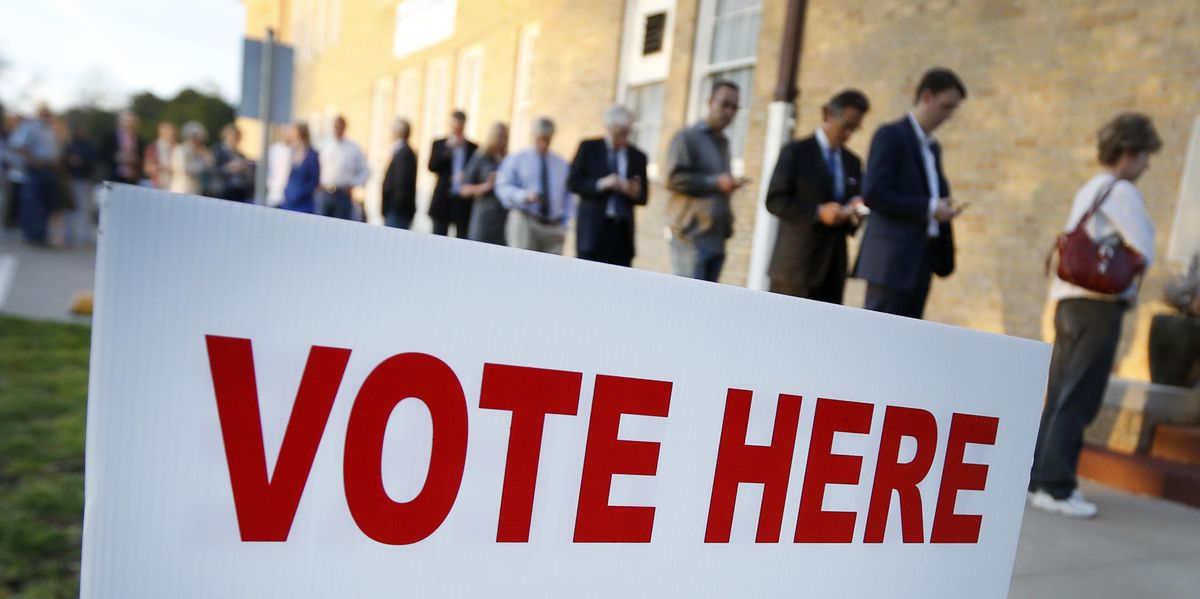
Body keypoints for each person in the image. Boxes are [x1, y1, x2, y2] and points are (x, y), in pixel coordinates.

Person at [1028, 113, 1162, 519]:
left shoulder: (1091, 188)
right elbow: (1145, 248)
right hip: (1098, 306)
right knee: (1080, 395)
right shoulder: (1122, 192)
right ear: (1129, 152)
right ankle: (1056, 485)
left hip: (1068, 301)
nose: (1147, 165)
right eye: (1145, 156)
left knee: (1061, 392)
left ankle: (1037, 478)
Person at [855, 67, 967, 319]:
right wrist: (930, 208)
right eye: (946, 106)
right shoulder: (891, 136)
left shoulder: (933, 147)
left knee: (906, 345)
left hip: (921, 261)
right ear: (926, 96)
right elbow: (874, 193)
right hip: (891, 262)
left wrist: (942, 207)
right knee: (877, 341)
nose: (949, 116)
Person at [765, 89, 870, 303]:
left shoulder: (852, 161)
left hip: (833, 269)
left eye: (854, 129)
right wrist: (818, 213)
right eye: (846, 125)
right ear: (827, 115)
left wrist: (855, 213)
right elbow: (775, 200)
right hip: (796, 267)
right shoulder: (796, 152)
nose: (849, 134)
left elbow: (854, 204)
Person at [665, 79, 746, 282]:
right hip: (691, 237)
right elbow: (672, 178)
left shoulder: (724, 143)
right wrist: (715, 182)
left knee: (707, 306)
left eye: (734, 107)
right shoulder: (687, 137)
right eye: (724, 104)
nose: (729, 111)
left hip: (717, 237)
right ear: (710, 102)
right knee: (688, 304)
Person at [568, 104, 649, 267]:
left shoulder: (637, 156)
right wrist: (602, 184)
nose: (623, 138)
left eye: (627, 133)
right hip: (592, 232)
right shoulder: (588, 148)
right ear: (609, 127)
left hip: (622, 234)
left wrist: (633, 192)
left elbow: (643, 196)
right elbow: (572, 183)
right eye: (619, 132)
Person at [495, 117, 574, 254]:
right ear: (533, 136)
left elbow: (568, 195)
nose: (543, 144)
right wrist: (523, 195)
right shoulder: (517, 159)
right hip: (526, 220)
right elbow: (502, 187)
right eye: (540, 139)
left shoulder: (561, 164)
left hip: (553, 227)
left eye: (547, 140)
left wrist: (565, 222)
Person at [8, 104, 60, 245]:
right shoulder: (30, 127)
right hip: (36, 170)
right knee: (32, 203)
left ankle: (41, 236)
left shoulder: (50, 129)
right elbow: (18, 145)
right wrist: (34, 160)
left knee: (46, 205)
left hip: (50, 170)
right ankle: (31, 235)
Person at [428, 110, 478, 237]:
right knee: (438, 238)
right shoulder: (440, 144)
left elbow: (477, 173)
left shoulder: (473, 148)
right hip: (443, 200)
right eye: (455, 127)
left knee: (462, 238)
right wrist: (448, 149)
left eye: (459, 128)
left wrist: (465, 177)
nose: (457, 131)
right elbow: (432, 166)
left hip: (462, 203)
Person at [462, 122, 510, 245]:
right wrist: (485, 186)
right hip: (484, 216)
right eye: (499, 136)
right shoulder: (481, 157)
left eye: (504, 136)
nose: (501, 140)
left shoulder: (508, 159)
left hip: (504, 218)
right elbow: (464, 189)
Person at [317, 115, 369, 220]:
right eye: (335, 126)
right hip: (325, 193)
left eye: (339, 126)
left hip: (343, 195)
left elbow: (366, 171)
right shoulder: (323, 145)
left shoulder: (353, 148)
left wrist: (353, 183)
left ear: (344, 128)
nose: (337, 129)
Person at [62, 121, 97, 246]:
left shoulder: (88, 146)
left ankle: (86, 237)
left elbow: (93, 162)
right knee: (69, 211)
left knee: (85, 210)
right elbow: (62, 162)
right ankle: (68, 237)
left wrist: (81, 162)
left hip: (84, 180)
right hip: (70, 180)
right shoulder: (68, 146)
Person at [381, 118, 418, 229]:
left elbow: (402, 183)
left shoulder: (405, 153)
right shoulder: (401, 151)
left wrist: (393, 206)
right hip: (396, 210)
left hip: (397, 211)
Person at [282, 123, 320, 214]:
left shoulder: (312, 155)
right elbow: (290, 176)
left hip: (304, 203)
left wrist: (300, 194)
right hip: (289, 201)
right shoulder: (293, 152)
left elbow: (314, 180)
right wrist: (287, 191)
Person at [211, 125, 254, 202]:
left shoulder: (240, 155)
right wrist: (229, 168)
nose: (238, 141)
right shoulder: (218, 150)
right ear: (228, 136)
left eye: (239, 138)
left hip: (239, 192)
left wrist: (244, 169)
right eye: (236, 138)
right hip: (224, 191)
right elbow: (213, 170)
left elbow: (247, 176)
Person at [169, 121, 214, 195]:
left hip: (196, 191)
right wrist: (203, 165)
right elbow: (184, 170)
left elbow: (211, 166)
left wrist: (207, 157)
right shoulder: (181, 149)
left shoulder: (200, 151)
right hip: (182, 190)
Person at [100, 111, 143, 186]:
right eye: (127, 122)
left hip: (132, 179)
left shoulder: (139, 140)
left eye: (133, 122)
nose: (130, 124)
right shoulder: (111, 137)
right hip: (114, 178)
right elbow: (101, 153)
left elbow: (142, 158)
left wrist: (136, 161)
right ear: (121, 123)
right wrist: (115, 157)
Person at [144, 121, 178, 190]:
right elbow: (148, 168)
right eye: (170, 132)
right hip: (159, 185)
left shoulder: (178, 147)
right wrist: (162, 168)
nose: (172, 134)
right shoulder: (154, 147)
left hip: (176, 185)